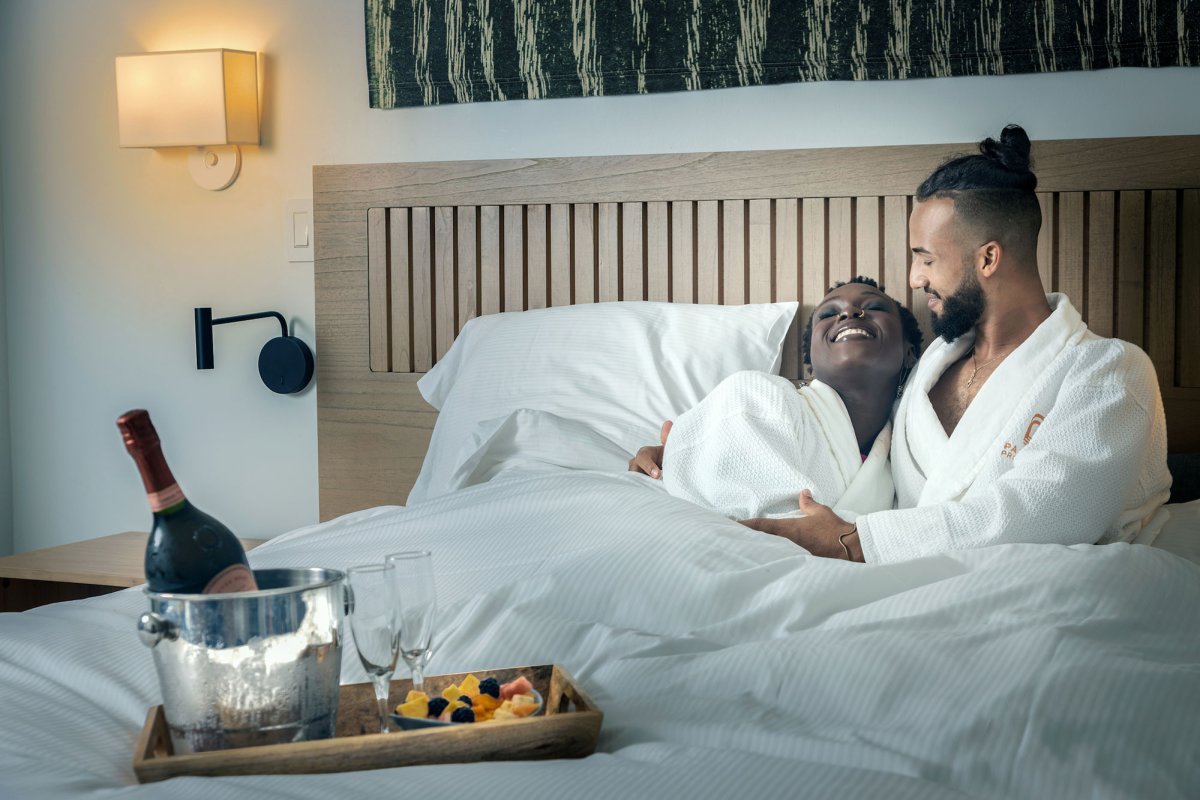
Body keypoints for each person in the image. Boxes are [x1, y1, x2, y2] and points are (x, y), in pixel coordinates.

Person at [632, 124, 1172, 563]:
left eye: (926, 258)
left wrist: (856, 542)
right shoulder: (921, 380)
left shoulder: (1108, 371)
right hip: (902, 589)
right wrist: (688, 453)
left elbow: (1047, 512)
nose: (914, 279)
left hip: (1043, 590)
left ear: (987, 258)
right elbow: (838, 440)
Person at [642, 278, 921, 525]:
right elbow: (754, 528)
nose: (849, 312)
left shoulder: (905, 461)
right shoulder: (756, 395)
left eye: (874, 307)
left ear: (909, 352)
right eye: (828, 313)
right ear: (810, 361)